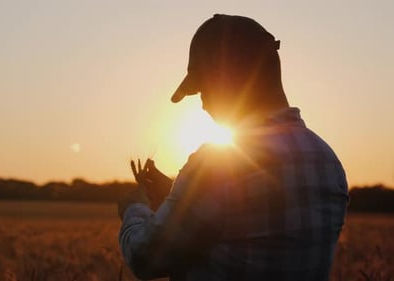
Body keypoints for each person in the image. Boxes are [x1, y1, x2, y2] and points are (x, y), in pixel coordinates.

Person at [117, 14, 349, 281]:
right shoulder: (328, 161)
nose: (203, 104)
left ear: (224, 77)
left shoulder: (216, 167)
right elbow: (251, 228)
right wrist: (176, 195)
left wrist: (134, 209)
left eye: (203, 89)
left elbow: (146, 259)